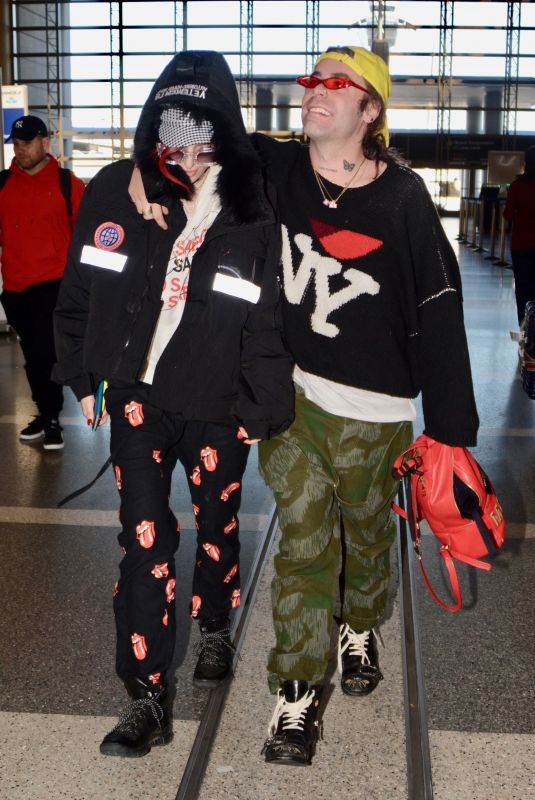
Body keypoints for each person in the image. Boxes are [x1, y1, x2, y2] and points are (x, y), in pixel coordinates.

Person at [129, 46, 479, 767]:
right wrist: (141, 163)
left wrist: (450, 431)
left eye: (336, 83)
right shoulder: (276, 167)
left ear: (369, 110)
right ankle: (293, 697)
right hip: (292, 399)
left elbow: (440, 307)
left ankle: (360, 623)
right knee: (304, 548)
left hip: (375, 411)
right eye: (311, 80)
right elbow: (203, 135)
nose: (314, 91)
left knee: (367, 538)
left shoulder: (403, 200)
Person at [53, 50, 293, 758]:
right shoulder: (114, 192)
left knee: (217, 522)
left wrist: (260, 402)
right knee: (145, 540)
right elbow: (79, 289)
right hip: (137, 397)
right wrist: (82, 373)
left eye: (200, 133)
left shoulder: (250, 206)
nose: (182, 151)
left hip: (217, 400)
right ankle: (146, 697)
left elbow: (265, 314)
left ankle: (214, 621)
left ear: (222, 133)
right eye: (168, 132)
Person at [0, 115, 85, 450]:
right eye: (17, 144)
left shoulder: (68, 183)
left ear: (45, 143)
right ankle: (44, 411)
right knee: (32, 353)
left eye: (28, 143)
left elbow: (86, 237)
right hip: (15, 287)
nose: (22, 150)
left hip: (54, 283)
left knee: (44, 353)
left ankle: (51, 418)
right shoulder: (3, 184)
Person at [503, 146, 535, 331]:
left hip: (521, 244)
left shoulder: (517, 186)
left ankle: (524, 329)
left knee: (523, 288)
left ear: (526, 164)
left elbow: (508, 214)